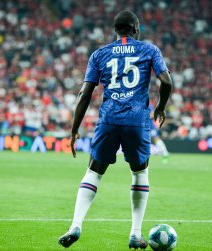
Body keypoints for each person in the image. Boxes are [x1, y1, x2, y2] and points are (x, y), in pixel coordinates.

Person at [58, 10, 173, 249]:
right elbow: (167, 81)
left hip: (109, 119)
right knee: (140, 173)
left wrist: (73, 130)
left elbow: (85, 93)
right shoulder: (150, 50)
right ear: (136, 28)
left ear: (115, 29)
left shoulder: (100, 54)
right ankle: (135, 233)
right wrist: (161, 107)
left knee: (93, 172)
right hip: (137, 120)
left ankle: (75, 225)